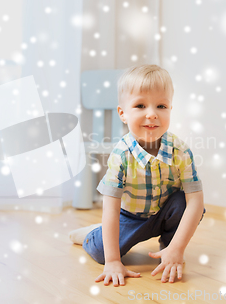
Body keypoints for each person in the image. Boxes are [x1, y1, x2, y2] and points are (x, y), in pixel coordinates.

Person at [68, 64, 205, 286]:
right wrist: (113, 261)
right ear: (123, 113)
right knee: (102, 253)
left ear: (170, 109)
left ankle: (169, 249)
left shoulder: (180, 151)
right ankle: (91, 234)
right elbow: (111, 208)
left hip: (163, 213)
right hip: (130, 217)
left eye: (161, 105)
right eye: (140, 105)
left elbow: (196, 203)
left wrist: (177, 248)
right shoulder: (121, 154)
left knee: (183, 201)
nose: (152, 113)